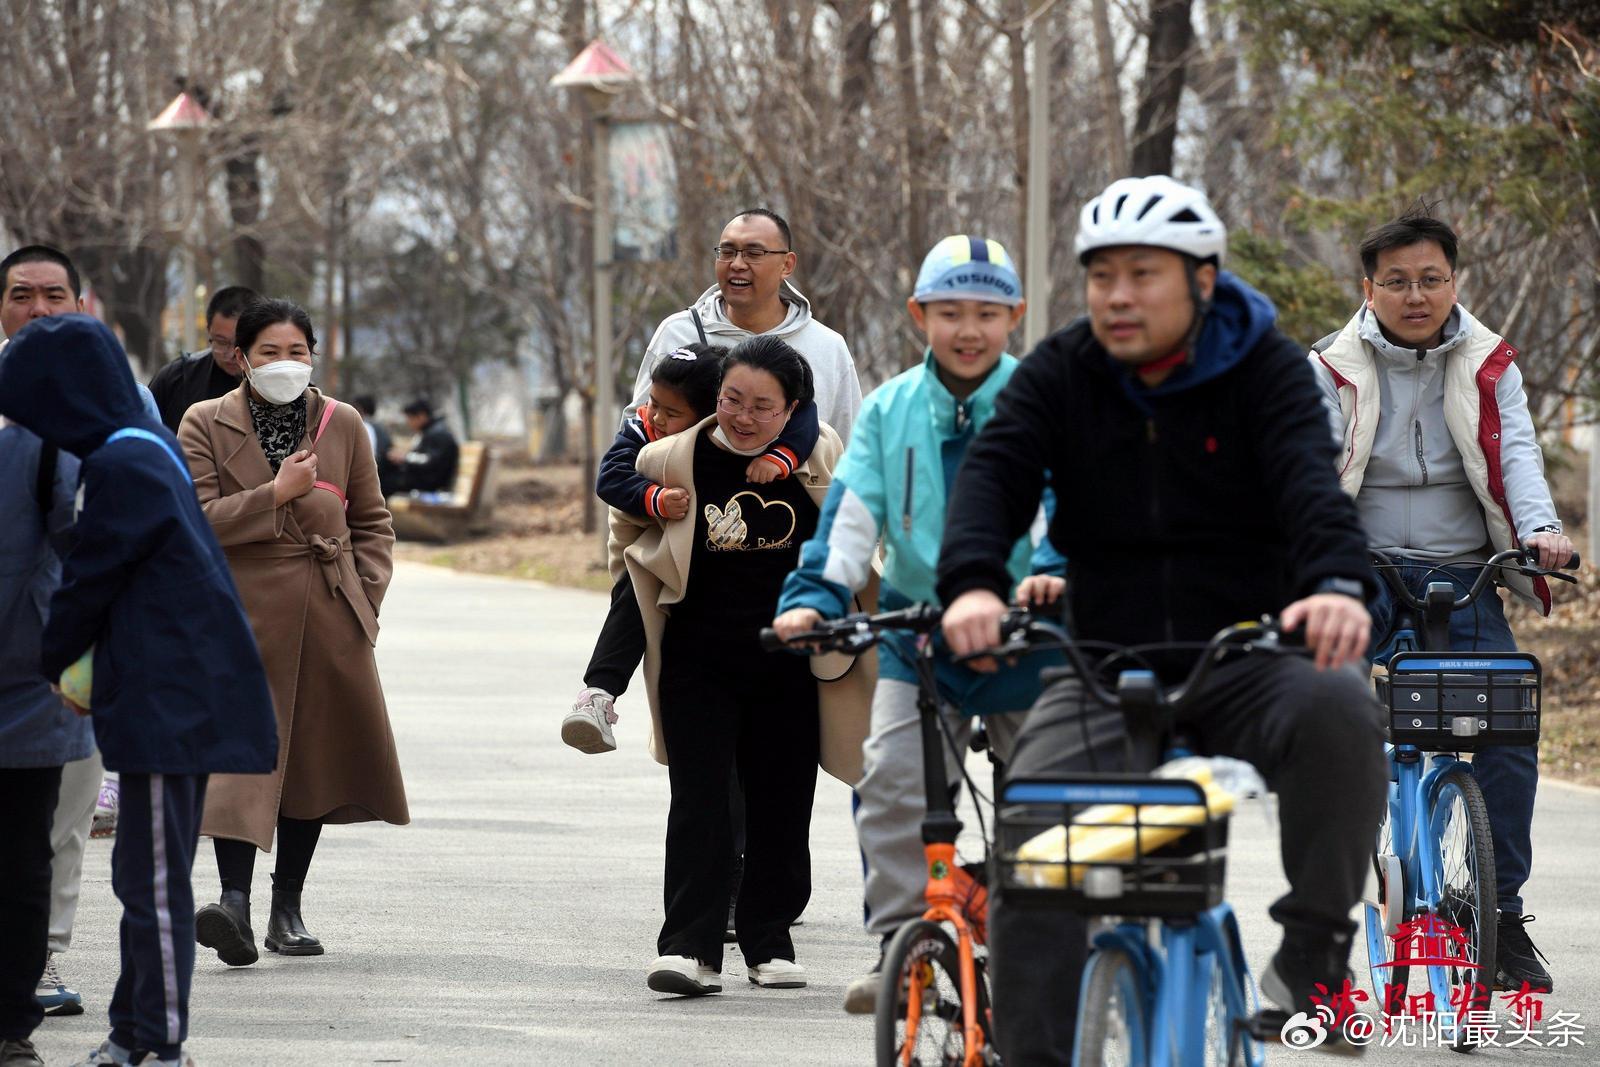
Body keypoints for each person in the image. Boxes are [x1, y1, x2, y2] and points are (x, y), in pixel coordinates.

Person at [935, 176, 1388, 1062]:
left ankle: (1312, 950)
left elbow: (1310, 486)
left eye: (1143, 274)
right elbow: (994, 475)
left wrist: (1335, 582)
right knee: (1036, 840)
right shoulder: (1062, 371)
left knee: (1340, 710)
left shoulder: (1266, 367)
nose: (1118, 295)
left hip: (1247, 655)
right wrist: (973, 584)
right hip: (1106, 665)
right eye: (1102, 275)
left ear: (1204, 280)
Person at [771, 234, 1067, 1013]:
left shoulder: (1042, 398)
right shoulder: (889, 408)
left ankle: (1031, 936)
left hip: (1027, 634)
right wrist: (817, 597)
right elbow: (852, 515)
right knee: (894, 779)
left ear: (1015, 316)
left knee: (1046, 795)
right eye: (949, 312)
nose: (967, 329)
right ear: (919, 315)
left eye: (986, 313)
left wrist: (1051, 575)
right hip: (919, 631)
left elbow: (1058, 509)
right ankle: (905, 938)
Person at [0, 312, 277, 1067]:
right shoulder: (142, 447)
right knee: (140, 876)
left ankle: (158, 1043)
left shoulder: (125, 463)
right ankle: (130, 1029)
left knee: (152, 884)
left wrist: (54, 660)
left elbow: (91, 573)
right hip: (163, 696)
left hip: (170, 702)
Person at [1309, 208, 1573, 994]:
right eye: (1396, 281)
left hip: (1466, 571)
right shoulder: (1331, 365)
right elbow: (1314, 471)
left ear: (1454, 280)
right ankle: (1330, 897)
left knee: (1508, 729)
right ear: (1369, 288)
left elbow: (1518, 454)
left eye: (1431, 278)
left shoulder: (1491, 361)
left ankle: (1500, 912)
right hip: (1363, 568)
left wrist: (1543, 530)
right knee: (1330, 717)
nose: (1415, 294)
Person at [609, 336, 874, 996]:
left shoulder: (819, 454)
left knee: (782, 802)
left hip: (789, 662)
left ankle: (768, 939)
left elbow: (855, 537)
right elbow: (631, 548)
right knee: (700, 802)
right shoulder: (673, 455)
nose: (744, 416)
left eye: (762, 405)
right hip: (697, 660)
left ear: (792, 410)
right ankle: (688, 947)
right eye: (732, 400)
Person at [178, 299, 408, 967]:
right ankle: (233, 902)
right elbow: (194, 518)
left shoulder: (344, 423)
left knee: (312, 758)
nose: (286, 364)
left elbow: (374, 522)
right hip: (236, 613)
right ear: (241, 357)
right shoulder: (203, 421)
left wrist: (360, 594)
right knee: (239, 755)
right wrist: (275, 494)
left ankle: (288, 905)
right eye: (271, 352)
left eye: (297, 351)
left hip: (325, 610)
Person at [0, 245, 162, 1035]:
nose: (37, 308)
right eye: (21, 295)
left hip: (73, 650)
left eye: (52, 294)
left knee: (58, 820)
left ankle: (42, 961)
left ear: (80, 303)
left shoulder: (121, 399)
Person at [563, 342, 820, 753]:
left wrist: (782, 457)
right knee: (634, 587)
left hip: (755, 624)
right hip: (658, 548)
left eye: (672, 411)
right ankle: (598, 695)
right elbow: (609, 476)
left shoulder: (738, 430)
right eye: (653, 403)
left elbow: (807, 414)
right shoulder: (644, 427)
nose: (657, 417)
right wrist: (655, 497)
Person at [627, 208, 862, 442]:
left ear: (787, 265)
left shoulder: (828, 348)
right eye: (727, 252)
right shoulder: (678, 333)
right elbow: (634, 431)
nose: (737, 264)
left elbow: (851, 451)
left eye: (754, 253)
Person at [147, 286, 261, 434]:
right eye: (221, 342)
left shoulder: (277, 381)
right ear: (209, 331)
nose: (232, 354)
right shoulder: (176, 379)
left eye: (240, 343)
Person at [386, 398, 458, 494]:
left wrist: (405, 457)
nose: (408, 422)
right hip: (426, 480)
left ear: (421, 416)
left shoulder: (438, 433)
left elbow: (430, 461)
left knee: (384, 483)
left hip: (432, 485)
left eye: (410, 418)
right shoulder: (430, 431)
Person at [350, 395, 397, 497]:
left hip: (369, 475)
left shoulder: (363, 426)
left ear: (359, 409)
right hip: (383, 474)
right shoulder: (381, 427)